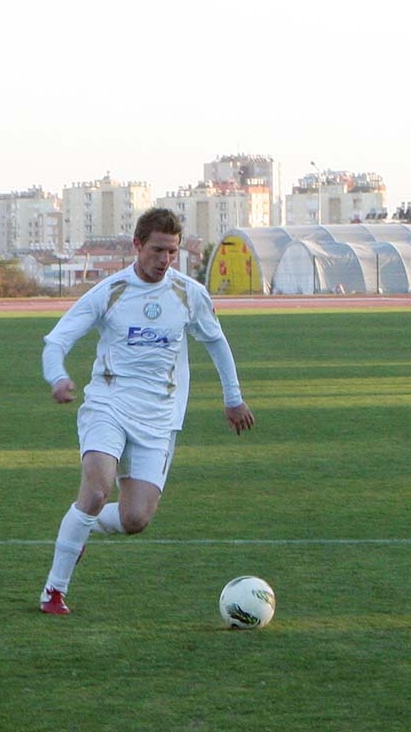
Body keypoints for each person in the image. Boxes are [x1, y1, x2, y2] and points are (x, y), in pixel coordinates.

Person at [37, 207, 255, 615]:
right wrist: (58, 377)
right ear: (137, 245)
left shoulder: (188, 293)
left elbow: (216, 341)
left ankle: (80, 525)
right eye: (157, 250)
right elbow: (56, 341)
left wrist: (233, 397)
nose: (165, 259)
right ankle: (54, 591)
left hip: (159, 418)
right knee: (96, 490)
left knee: (136, 518)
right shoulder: (111, 291)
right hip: (108, 405)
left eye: (172, 251)